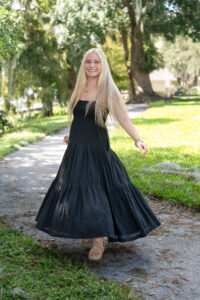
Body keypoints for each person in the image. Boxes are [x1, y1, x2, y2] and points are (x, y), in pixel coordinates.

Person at [35, 48, 161, 261]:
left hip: (97, 150)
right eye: (88, 62)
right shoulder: (79, 88)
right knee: (78, 189)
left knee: (95, 190)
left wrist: (137, 139)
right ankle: (89, 227)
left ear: (102, 65)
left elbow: (124, 119)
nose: (92, 65)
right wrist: (71, 136)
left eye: (96, 62)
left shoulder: (108, 91)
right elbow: (79, 119)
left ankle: (99, 239)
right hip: (76, 149)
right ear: (83, 64)